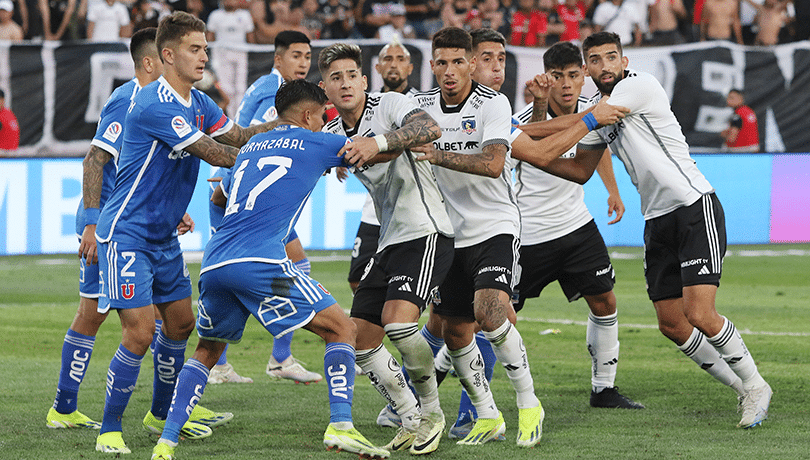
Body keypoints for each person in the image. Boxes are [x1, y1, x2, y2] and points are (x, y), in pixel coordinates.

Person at [537, 31, 772, 429]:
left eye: (612, 57)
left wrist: (512, 134)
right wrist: (528, 154)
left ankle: (755, 385)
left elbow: (580, 122)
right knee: (672, 323)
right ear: (588, 69)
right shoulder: (598, 109)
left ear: (624, 61)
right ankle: (742, 386)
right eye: (595, 60)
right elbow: (578, 170)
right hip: (656, 219)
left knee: (699, 312)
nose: (605, 65)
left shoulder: (638, 86)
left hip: (693, 206)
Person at [150, 78, 390, 460]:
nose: (324, 122)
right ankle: (342, 426)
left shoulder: (249, 147)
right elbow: (369, 151)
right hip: (260, 260)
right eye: (322, 116)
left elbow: (218, 195)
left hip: (216, 260)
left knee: (208, 349)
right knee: (343, 328)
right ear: (309, 115)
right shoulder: (318, 140)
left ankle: (167, 440)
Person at [93, 12, 286, 454]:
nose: (204, 56)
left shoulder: (199, 102)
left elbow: (236, 135)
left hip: (162, 236)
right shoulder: (153, 103)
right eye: (194, 49)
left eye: (205, 48)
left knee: (180, 325)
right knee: (140, 333)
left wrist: (282, 130)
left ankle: (160, 413)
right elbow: (216, 153)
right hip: (127, 233)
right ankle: (108, 429)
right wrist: (281, 160)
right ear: (167, 54)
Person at [410, 27, 545, 448]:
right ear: (432, 66)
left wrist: (435, 153)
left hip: (494, 224)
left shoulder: (494, 103)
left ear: (471, 63)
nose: (449, 71)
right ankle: (487, 414)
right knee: (455, 331)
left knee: (489, 312)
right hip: (448, 231)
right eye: (441, 63)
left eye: (457, 62)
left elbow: (491, 162)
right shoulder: (420, 106)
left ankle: (528, 404)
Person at [318, 42, 450, 455]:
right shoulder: (330, 135)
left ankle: (432, 412)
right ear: (325, 89)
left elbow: (430, 128)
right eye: (335, 77)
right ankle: (410, 417)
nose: (345, 83)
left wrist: (376, 144)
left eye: (350, 75)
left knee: (398, 323)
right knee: (359, 338)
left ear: (363, 79)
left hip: (427, 231)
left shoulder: (391, 103)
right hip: (389, 239)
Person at [511, 40, 644, 410]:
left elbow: (594, 147)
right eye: (558, 76)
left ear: (584, 75)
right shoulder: (525, 120)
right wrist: (539, 106)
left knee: (604, 300)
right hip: (529, 234)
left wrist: (613, 191)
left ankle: (604, 389)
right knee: (494, 315)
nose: (567, 84)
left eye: (573, 75)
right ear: (545, 77)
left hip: (576, 227)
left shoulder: (593, 112)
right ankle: (442, 365)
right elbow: (537, 141)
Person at [229, 29, 323, 384]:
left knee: (291, 264)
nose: (303, 63)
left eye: (306, 55)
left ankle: (243, 362)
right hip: (252, 197)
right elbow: (267, 137)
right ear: (278, 58)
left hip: (243, 192)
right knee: (292, 265)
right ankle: (279, 358)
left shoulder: (265, 88)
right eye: (296, 55)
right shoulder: (274, 92)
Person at [348, 38, 418, 299]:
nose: (394, 65)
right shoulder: (365, 104)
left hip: (412, 204)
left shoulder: (419, 104)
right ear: (377, 68)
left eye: (400, 59)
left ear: (410, 68)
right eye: (388, 59)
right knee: (357, 278)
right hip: (375, 209)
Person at [206, 0, 255, 116]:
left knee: (240, 88)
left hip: (240, 54)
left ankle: (240, 117)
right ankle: (231, 118)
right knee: (226, 88)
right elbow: (209, 37)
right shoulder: (215, 15)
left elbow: (251, 39)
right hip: (221, 55)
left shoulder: (245, 15)